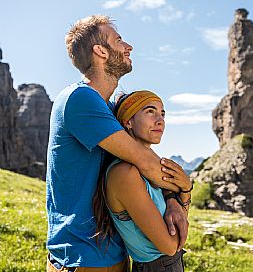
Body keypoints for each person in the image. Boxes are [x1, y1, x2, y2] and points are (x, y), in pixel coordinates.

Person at [46, 15, 188, 271]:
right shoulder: (79, 98)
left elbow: (147, 163)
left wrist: (172, 198)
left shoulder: (109, 106)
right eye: (119, 40)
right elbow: (145, 161)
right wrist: (185, 188)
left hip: (114, 255)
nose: (128, 46)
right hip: (82, 258)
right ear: (100, 51)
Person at [93, 90, 192, 272]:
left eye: (162, 113)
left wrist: (175, 198)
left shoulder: (151, 169)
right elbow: (170, 246)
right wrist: (185, 190)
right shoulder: (124, 173)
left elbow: (180, 221)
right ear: (128, 122)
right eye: (150, 111)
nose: (160, 120)